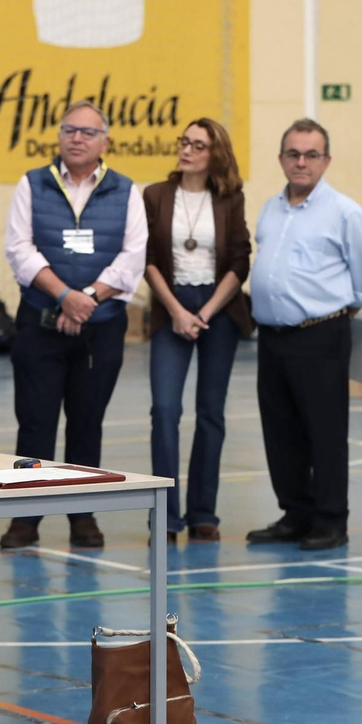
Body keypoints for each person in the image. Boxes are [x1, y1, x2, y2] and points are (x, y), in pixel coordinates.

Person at [0, 101, 147, 550]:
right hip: (40, 323)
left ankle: (83, 515)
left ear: (106, 141)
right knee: (35, 424)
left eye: (87, 132)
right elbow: (19, 250)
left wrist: (89, 300)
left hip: (100, 328)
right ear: (60, 136)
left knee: (87, 423)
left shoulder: (126, 190)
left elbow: (134, 254)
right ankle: (24, 518)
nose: (77, 138)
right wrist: (65, 295)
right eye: (69, 130)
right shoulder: (32, 183)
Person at [244, 119, 362, 552]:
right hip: (271, 338)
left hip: (320, 336)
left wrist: (334, 314)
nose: (301, 162)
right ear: (282, 158)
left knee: (324, 432)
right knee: (281, 432)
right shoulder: (270, 208)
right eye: (293, 154)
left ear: (326, 160)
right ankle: (294, 514)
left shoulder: (345, 213)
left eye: (311, 155)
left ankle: (330, 521)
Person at [143, 118, 252, 542]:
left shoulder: (230, 197)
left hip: (218, 308)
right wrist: (176, 310)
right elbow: (147, 258)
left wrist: (205, 310)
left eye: (198, 145)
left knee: (211, 412)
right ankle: (165, 516)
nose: (186, 150)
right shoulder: (155, 195)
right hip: (171, 306)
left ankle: (203, 512)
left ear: (215, 154)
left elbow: (239, 261)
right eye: (184, 142)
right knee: (165, 411)